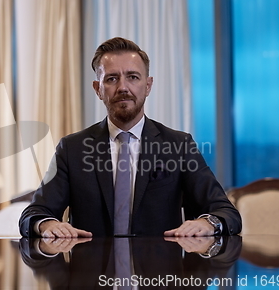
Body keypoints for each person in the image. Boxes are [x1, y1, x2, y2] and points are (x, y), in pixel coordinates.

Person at [19, 37, 241, 238]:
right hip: (89, 277)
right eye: (112, 79)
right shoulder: (72, 149)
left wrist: (208, 223)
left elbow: (226, 213)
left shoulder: (179, 145)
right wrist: (46, 225)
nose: (123, 87)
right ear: (98, 89)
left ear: (148, 85)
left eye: (133, 77)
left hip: (160, 278)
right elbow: (34, 213)